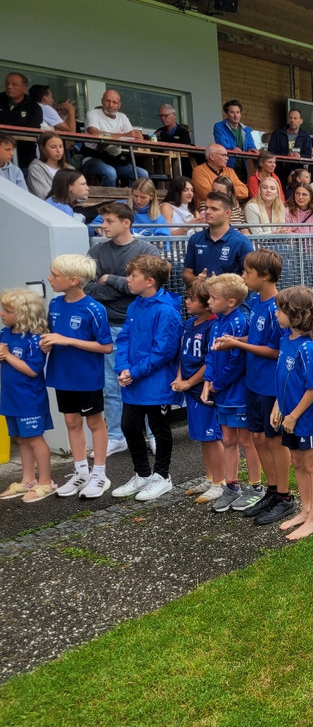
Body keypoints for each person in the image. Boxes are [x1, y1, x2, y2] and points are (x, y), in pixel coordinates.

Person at [211, 249, 287, 515]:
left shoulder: (279, 306)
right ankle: (271, 490)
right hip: (253, 384)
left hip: (269, 385)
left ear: (265, 275)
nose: (243, 276)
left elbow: (277, 350)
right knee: (257, 438)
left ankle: (284, 496)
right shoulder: (256, 302)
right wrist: (235, 342)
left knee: (273, 440)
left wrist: (236, 343)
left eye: (247, 272)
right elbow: (255, 341)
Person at [85, 202, 160, 456]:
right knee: (111, 384)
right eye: (102, 221)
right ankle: (116, 436)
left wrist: (110, 280)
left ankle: (153, 434)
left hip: (138, 326)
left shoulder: (146, 249)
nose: (102, 226)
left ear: (125, 222)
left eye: (108, 221)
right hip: (106, 326)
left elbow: (141, 288)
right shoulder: (96, 250)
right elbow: (88, 288)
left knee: (144, 380)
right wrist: (121, 287)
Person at [109, 254, 182, 502]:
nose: (128, 280)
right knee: (129, 425)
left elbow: (164, 350)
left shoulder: (167, 311)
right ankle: (142, 474)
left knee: (159, 429)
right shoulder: (134, 305)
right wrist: (123, 368)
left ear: (150, 281)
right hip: (133, 379)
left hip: (155, 382)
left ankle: (162, 476)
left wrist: (133, 371)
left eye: (133, 276)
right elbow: (124, 339)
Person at [43, 254, 114, 500]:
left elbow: (106, 346)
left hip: (86, 377)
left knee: (95, 423)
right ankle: (81, 472)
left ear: (73, 280)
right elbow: (54, 336)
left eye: (55, 275)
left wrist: (68, 340)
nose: (49, 279)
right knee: (71, 422)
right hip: (62, 374)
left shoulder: (94, 309)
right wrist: (48, 344)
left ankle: (100, 474)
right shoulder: (54, 304)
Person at [201, 273, 262, 512]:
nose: (209, 302)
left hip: (236, 393)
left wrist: (218, 383)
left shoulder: (239, 322)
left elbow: (238, 361)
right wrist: (208, 381)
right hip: (222, 393)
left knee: (247, 440)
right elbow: (211, 354)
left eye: (213, 298)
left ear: (231, 302)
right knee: (227, 439)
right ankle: (231, 486)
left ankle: (256, 487)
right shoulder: (217, 322)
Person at [270, 285, 313, 541]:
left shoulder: (307, 348)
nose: (276, 312)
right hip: (288, 416)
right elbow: (284, 380)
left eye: (280, 309)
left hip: (304, 420)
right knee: (296, 461)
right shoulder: (285, 340)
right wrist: (278, 406)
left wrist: (293, 416)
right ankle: (305, 510)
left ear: (295, 313)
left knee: (311, 464)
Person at [172, 278, 226, 503]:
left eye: (192, 299)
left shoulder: (213, 326)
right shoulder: (189, 324)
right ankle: (210, 476)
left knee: (212, 437)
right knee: (203, 436)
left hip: (202, 390)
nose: (187, 302)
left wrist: (189, 381)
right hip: (190, 389)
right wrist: (178, 377)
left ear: (207, 304)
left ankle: (220, 482)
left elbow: (209, 362)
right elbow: (183, 355)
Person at [0, 288, 55, 503]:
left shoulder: (34, 339)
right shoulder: (5, 334)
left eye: (7, 310)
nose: (2, 313)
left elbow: (33, 370)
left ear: (23, 313)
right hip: (10, 397)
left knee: (34, 438)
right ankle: (27, 479)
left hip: (29, 399)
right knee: (21, 439)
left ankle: (46, 481)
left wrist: (7, 355)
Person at [182, 191, 255, 286]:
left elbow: (250, 278)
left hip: (230, 299)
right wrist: (198, 280)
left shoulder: (241, 242)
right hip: (200, 298)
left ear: (227, 213)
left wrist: (220, 285)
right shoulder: (195, 239)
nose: (207, 212)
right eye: (207, 208)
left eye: (214, 209)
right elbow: (186, 273)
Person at [82, 90, 147, 186]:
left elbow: (132, 137)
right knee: (110, 173)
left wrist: (137, 136)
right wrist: (124, 136)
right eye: (107, 101)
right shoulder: (93, 113)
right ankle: (108, 200)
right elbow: (94, 132)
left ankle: (128, 200)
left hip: (116, 159)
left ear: (119, 105)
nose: (111, 105)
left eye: (114, 102)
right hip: (92, 158)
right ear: (102, 101)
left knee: (143, 174)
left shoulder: (122, 117)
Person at [1, 73, 43, 171]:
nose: (9, 87)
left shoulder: (34, 107)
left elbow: (32, 133)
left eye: (14, 84)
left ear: (25, 89)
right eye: (7, 84)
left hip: (24, 159)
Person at [26, 131, 69, 198]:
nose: (58, 150)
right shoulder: (35, 169)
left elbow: (80, 195)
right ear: (43, 149)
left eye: (61, 146)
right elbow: (44, 195)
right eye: (53, 147)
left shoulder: (69, 169)